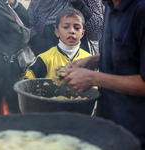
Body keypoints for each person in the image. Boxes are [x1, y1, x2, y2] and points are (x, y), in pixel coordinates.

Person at [62, 0, 145, 149]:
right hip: (107, 119)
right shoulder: (109, 5)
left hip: (136, 131)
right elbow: (127, 53)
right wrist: (90, 61)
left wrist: (93, 78)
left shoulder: (141, 10)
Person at [24, 8, 91, 79]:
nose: (72, 31)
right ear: (57, 32)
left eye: (77, 28)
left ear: (82, 33)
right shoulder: (45, 59)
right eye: (66, 27)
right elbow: (26, 83)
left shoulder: (89, 60)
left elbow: (94, 88)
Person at [28, 0, 103, 56]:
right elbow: (27, 27)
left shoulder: (90, 1)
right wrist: (45, 45)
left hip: (80, 55)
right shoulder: (39, 2)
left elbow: (96, 33)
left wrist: (78, 3)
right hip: (46, 54)